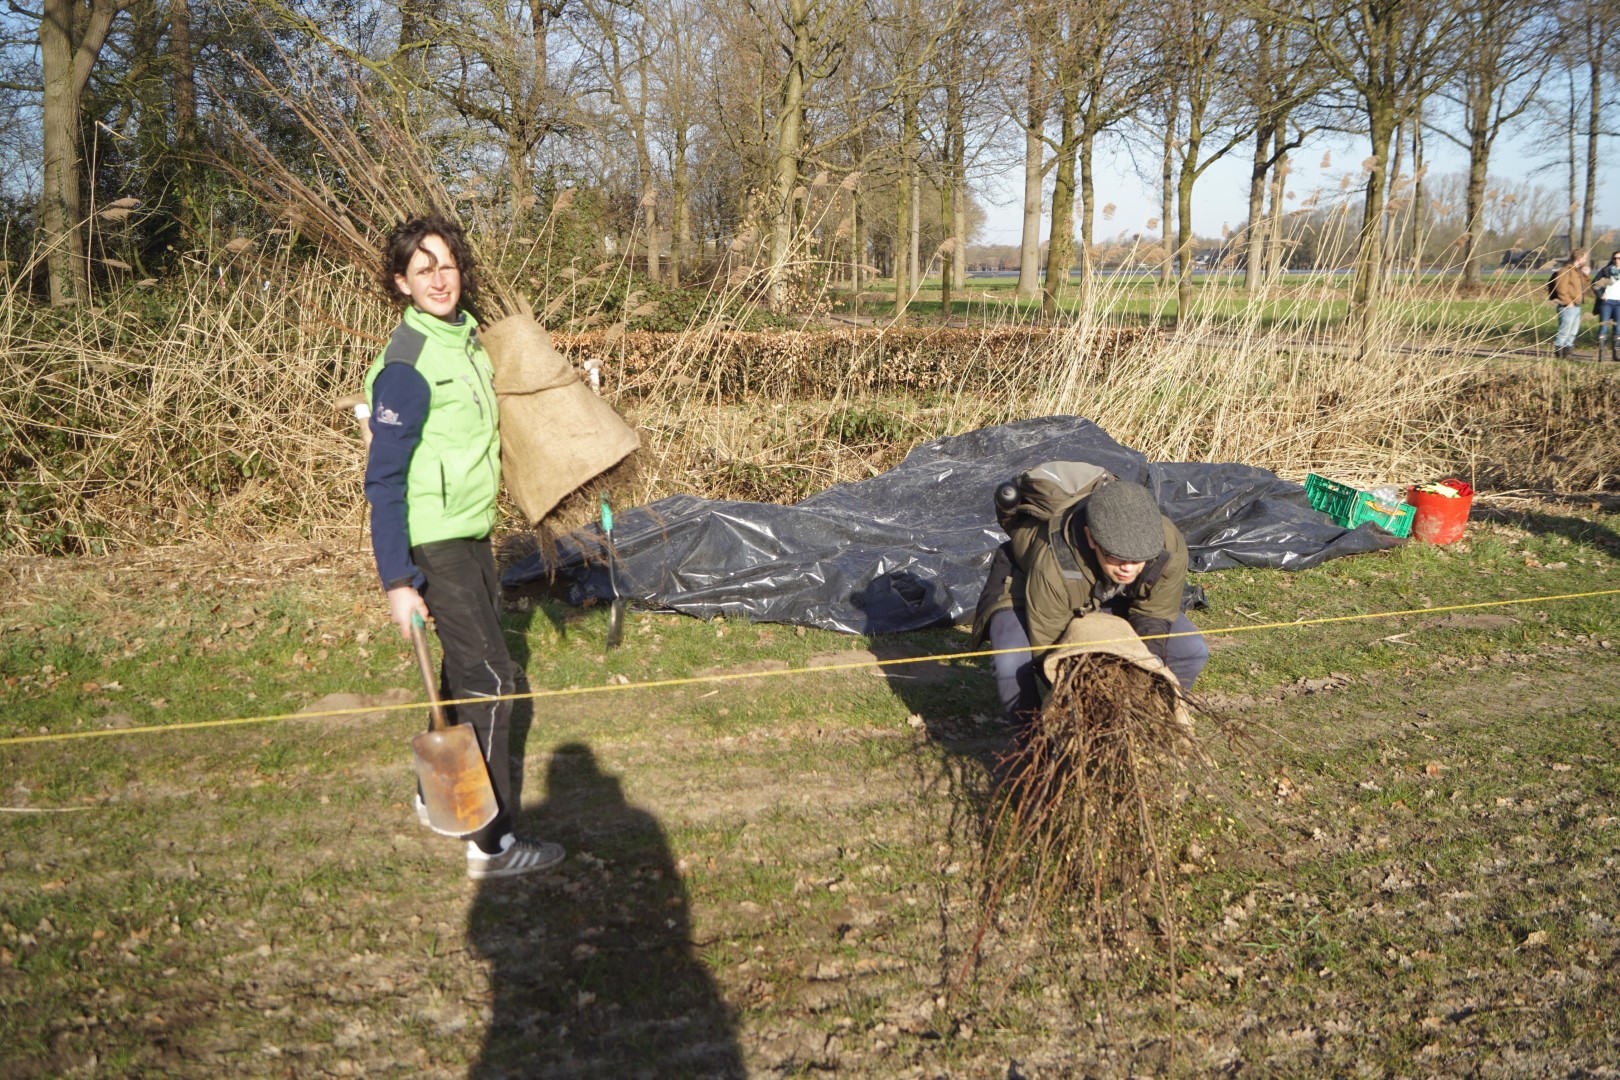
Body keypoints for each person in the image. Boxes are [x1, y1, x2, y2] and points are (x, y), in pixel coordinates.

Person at [363, 213, 563, 880]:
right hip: (434, 541)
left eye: (446, 264)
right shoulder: (409, 367)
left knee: (459, 678)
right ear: (402, 283)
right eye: (423, 270)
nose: (439, 278)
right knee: (495, 683)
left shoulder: (468, 341)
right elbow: (384, 481)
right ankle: (491, 843)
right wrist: (397, 580)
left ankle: (435, 796)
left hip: (471, 532)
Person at [973, 476, 1207, 732]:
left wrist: (1139, 686)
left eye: (1139, 559)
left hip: (1108, 593)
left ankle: (1148, 722)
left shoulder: (1166, 546)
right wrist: (1084, 701)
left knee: (1190, 649)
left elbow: (1154, 616)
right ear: (1092, 538)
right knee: (1011, 660)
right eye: (1116, 557)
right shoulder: (1053, 564)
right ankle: (1033, 746)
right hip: (1029, 583)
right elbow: (1049, 648)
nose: (1128, 568)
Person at [1549, 248, 1591, 360]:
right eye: (1585, 258)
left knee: (1573, 332)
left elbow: (1585, 289)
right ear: (1579, 258)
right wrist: (1568, 302)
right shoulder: (1565, 270)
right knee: (1564, 332)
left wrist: (1586, 275)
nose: (1586, 260)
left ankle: (1568, 354)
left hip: (1576, 306)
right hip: (1567, 306)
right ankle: (1559, 355)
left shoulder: (1578, 271)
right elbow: (1561, 289)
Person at [1591, 250, 1620, 363]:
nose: (1617, 260)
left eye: (1619, 258)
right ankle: (1601, 354)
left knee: (1618, 328)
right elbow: (1594, 283)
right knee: (1604, 326)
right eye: (1615, 258)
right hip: (1606, 302)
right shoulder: (1606, 271)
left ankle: (1615, 353)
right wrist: (1601, 295)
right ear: (1612, 259)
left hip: (1619, 303)